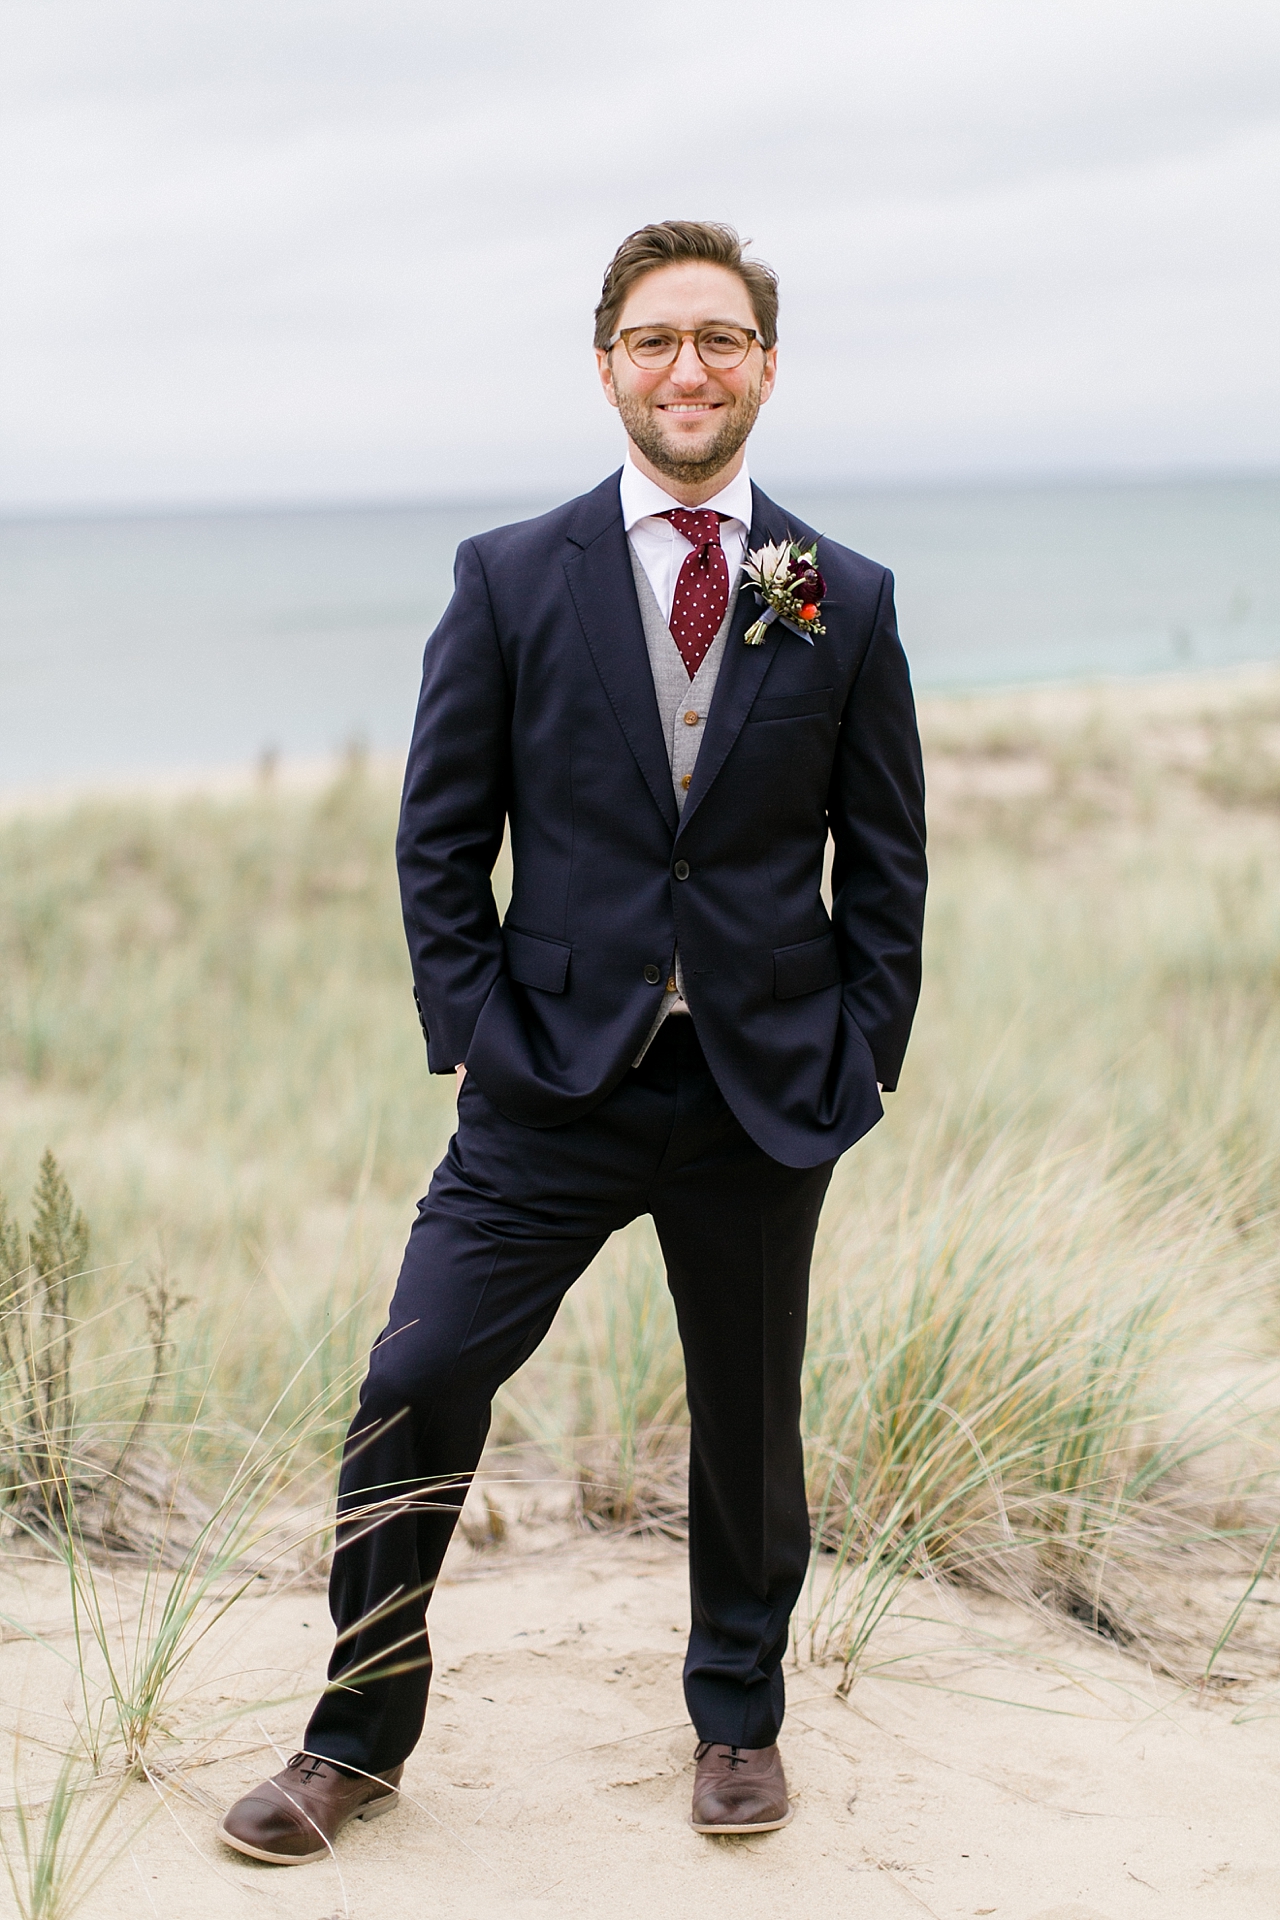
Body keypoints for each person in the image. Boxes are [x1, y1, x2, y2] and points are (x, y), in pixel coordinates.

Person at [219, 218, 926, 1864]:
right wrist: (471, 1027)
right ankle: (355, 1733)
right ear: (606, 364)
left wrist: (861, 1054)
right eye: (658, 340)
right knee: (418, 1372)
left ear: (765, 365)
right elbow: (438, 833)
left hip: (762, 1088)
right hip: (547, 1082)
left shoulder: (843, 595)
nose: (691, 369)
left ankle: (736, 1718)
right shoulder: (507, 576)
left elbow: (885, 860)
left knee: (750, 1417)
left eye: (723, 339)